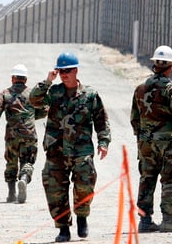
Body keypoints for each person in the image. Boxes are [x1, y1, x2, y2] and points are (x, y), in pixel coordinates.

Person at [29, 51, 111, 242]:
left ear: (76, 70)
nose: (64, 74)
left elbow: (101, 120)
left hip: (81, 151)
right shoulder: (54, 93)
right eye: (61, 71)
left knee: (85, 185)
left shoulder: (90, 95)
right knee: (55, 189)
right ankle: (63, 228)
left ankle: (82, 216)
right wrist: (47, 81)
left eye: (68, 70)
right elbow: (33, 100)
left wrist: (104, 142)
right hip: (56, 150)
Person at [130, 45, 172, 233]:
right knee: (169, 179)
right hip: (167, 142)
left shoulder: (140, 88)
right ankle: (167, 219)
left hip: (146, 142)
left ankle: (144, 221)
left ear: (154, 64)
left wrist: (142, 137)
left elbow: (134, 118)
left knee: (147, 179)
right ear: (170, 67)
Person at [0, 64, 48, 204]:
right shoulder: (32, 94)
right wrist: (30, 116)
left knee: (11, 162)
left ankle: (11, 193)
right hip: (29, 134)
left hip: (12, 135)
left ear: (13, 78)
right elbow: (44, 110)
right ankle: (24, 179)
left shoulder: (5, 94)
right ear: (25, 79)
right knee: (28, 160)